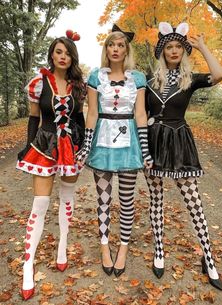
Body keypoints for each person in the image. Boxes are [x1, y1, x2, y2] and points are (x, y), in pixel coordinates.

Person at [145, 22, 222, 290]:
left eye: (179, 46)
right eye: (169, 46)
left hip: (180, 143)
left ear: (184, 50)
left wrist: (202, 46)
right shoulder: (149, 81)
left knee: (193, 201)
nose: (174, 50)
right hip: (155, 143)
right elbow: (139, 113)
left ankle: (209, 258)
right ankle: (159, 250)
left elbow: (220, 74)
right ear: (162, 51)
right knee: (156, 199)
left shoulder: (189, 80)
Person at [77, 24, 153, 277]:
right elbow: (93, 113)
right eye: (112, 44)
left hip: (129, 144)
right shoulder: (96, 76)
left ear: (126, 50)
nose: (116, 49)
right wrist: (86, 146)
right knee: (103, 200)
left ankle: (122, 248)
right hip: (102, 142)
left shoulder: (138, 78)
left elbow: (140, 114)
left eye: (121, 45)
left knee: (128, 200)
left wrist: (145, 150)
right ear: (106, 48)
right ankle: (104, 247)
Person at [16, 30, 86, 300]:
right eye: (59, 51)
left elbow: (78, 119)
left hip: (70, 149)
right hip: (45, 146)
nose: (63, 57)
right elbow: (34, 118)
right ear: (52, 54)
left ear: (72, 58)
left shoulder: (77, 86)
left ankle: (62, 246)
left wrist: (81, 147)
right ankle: (27, 264)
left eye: (67, 53)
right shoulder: (38, 83)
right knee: (41, 204)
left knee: (67, 198)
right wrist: (28, 145)